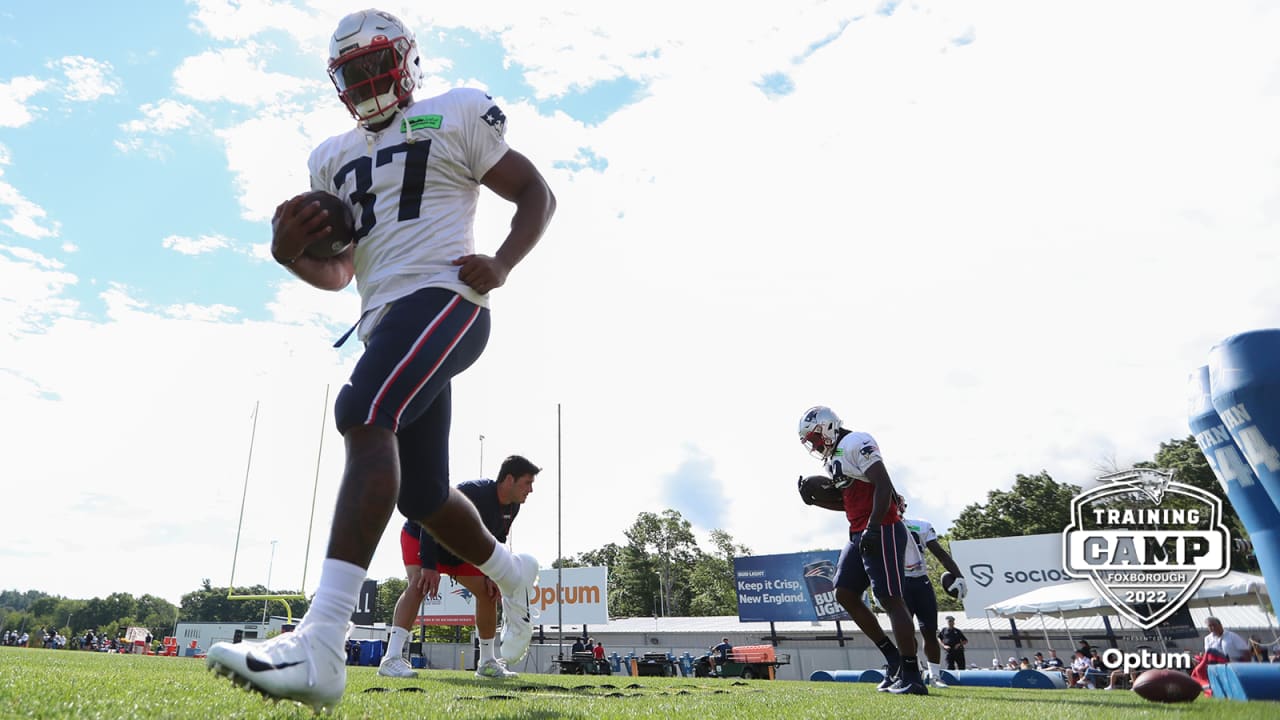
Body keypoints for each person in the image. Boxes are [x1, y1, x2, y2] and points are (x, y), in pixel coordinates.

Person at [205, 9, 555, 711]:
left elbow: (536, 195)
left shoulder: (455, 112)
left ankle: (322, 641)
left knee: (363, 411)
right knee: (421, 496)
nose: (366, 82)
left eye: (374, 66)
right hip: (383, 321)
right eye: (353, 73)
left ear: (405, 61)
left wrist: (504, 263)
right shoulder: (329, 157)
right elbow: (338, 274)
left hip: (449, 295)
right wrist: (290, 256)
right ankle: (512, 574)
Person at [796, 406, 926, 695]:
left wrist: (876, 526)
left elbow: (883, 483)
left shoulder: (857, 442)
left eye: (816, 437)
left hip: (884, 528)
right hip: (858, 531)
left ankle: (912, 675)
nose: (815, 445)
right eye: (811, 441)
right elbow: (847, 502)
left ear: (828, 426)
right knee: (844, 592)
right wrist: (815, 500)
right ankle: (893, 659)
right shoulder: (832, 461)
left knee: (890, 598)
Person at [378, 455, 540, 680]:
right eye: (527, 483)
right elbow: (431, 517)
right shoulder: (472, 492)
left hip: (459, 548)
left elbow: (495, 540)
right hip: (424, 534)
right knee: (418, 585)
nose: (531, 490)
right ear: (509, 479)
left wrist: (493, 573)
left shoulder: (513, 507)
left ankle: (487, 663)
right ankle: (391, 658)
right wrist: (429, 565)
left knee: (487, 592)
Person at [896, 493, 967, 687]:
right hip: (900, 583)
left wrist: (958, 575)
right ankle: (914, 670)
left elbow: (940, 554)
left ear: (903, 505)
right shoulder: (881, 527)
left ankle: (935, 675)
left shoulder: (921, 525)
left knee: (929, 630)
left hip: (921, 581)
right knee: (906, 632)